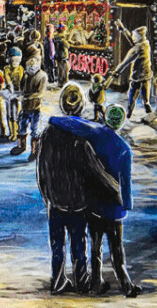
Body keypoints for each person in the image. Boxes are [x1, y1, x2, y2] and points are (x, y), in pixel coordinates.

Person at [49, 105, 141, 297]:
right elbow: (126, 182)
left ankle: (96, 283)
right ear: (121, 122)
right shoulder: (124, 149)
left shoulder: (94, 134)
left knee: (95, 248)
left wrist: (53, 120)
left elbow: (73, 122)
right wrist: (127, 205)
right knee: (117, 249)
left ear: (105, 118)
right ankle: (126, 284)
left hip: (95, 205)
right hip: (115, 208)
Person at [36, 85, 100, 295]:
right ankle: (81, 282)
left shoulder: (48, 134)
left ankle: (58, 281)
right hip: (78, 201)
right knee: (79, 245)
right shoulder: (83, 137)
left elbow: (41, 171)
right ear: (81, 106)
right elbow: (91, 170)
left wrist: (47, 196)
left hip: (56, 201)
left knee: (57, 247)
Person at [110, 24, 153, 121]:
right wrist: (124, 30)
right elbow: (133, 42)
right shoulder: (145, 43)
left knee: (132, 98)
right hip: (147, 75)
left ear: (137, 37)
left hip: (137, 77)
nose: (133, 37)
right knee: (146, 99)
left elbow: (125, 62)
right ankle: (149, 110)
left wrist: (116, 72)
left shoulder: (136, 49)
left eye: (134, 35)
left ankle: (128, 115)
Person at [10, 56, 48, 160]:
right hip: (25, 106)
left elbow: (40, 93)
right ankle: (21, 146)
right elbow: (22, 87)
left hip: (35, 107)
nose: (29, 70)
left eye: (32, 68)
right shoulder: (26, 75)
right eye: (28, 68)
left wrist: (26, 97)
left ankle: (34, 151)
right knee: (21, 127)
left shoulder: (42, 76)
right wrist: (17, 94)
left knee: (35, 131)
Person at [3, 47, 24, 141]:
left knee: (16, 114)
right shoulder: (6, 68)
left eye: (17, 60)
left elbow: (21, 82)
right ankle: (11, 132)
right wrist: (10, 87)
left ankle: (16, 133)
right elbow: (8, 80)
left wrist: (20, 93)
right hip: (9, 93)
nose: (14, 62)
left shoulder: (20, 69)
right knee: (9, 113)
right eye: (13, 60)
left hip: (17, 93)